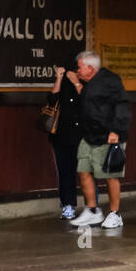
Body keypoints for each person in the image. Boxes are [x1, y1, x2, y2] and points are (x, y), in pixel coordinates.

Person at [68, 51, 131, 229]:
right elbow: (87, 103)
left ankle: (115, 214)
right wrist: (76, 83)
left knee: (110, 175)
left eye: (80, 67)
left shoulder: (111, 80)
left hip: (108, 136)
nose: (78, 70)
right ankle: (93, 211)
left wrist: (116, 131)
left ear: (90, 67)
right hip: (88, 136)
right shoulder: (88, 83)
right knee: (83, 170)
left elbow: (122, 105)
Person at [47, 64, 83, 219]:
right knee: (65, 172)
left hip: (82, 136)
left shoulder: (84, 85)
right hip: (61, 136)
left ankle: (92, 206)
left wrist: (76, 81)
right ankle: (68, 206)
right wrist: (59, 78)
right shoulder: (62, 84)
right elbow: (52, 99)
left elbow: (88, 100)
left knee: (84, 172)